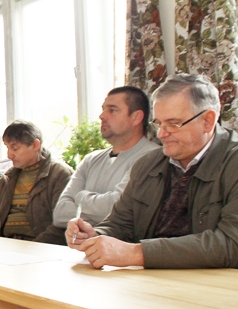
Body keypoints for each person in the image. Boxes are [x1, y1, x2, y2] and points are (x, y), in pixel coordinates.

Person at [67, 74, 238, 269]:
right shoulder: (148, 164)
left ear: (208, 121)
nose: (162, 134)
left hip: (222, 288)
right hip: (151, 282)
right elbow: (121, 225)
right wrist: (95, 236)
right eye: (159, 123)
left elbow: (234, 246)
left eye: (173, 124)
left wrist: (136, 253)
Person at [53, 86, 159, 228]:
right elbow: (60, 214)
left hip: (119, 246)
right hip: (70, 241)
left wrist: (80, 197)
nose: (102, 116)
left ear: (136, 117)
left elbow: (121, 211)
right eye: (103, 109)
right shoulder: (90, 159)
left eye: (112, 110)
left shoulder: (153, 157)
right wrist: (100, 215)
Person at [0, 120, 72, 245]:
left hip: (40, 247)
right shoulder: (9, 177)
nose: (9, 155)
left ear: (35, 145)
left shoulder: (60, 174)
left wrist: (33, 247)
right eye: (7, 148)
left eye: (15, 148)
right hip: (7, 245)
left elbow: (62, 225)